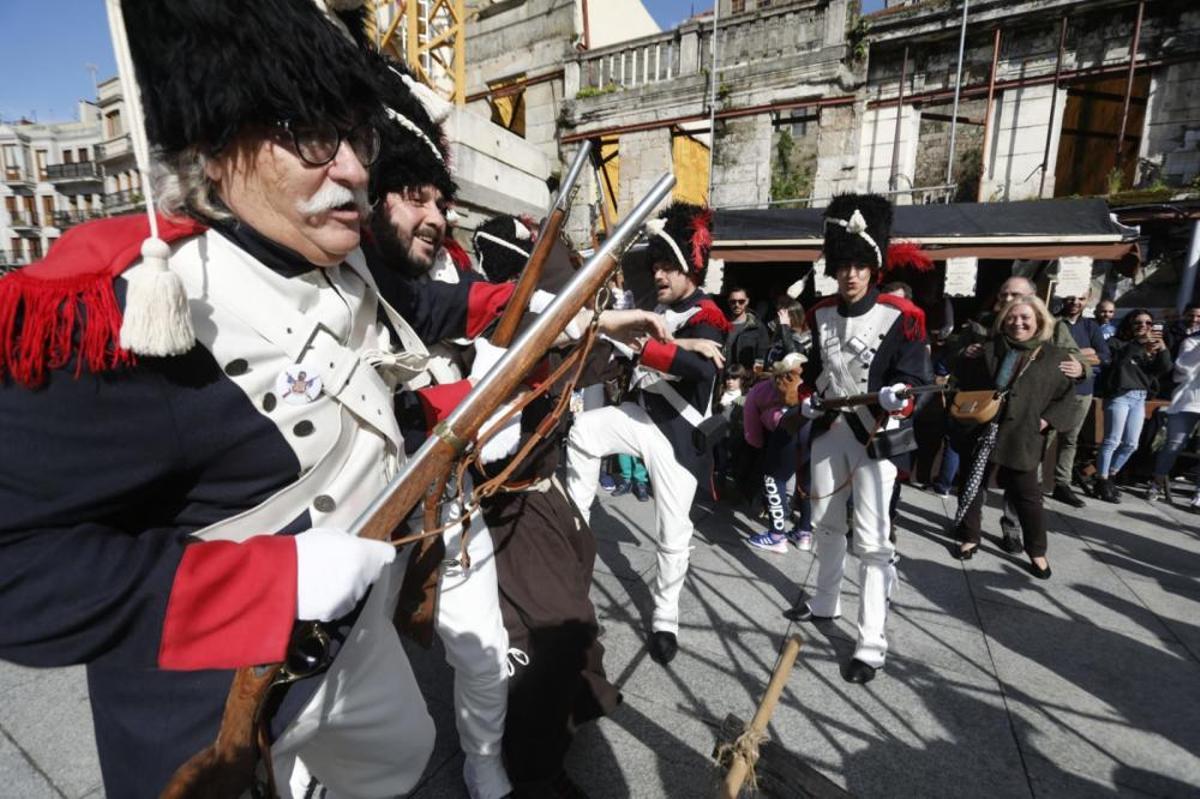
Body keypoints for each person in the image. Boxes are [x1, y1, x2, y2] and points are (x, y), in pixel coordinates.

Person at [0, 2, 443, 796]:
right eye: (312, 136)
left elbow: (425, 320)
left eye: (359, 137)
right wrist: (267, 584)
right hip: (205, 696)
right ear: (215, 149)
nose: (351, 168)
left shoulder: (342, 258)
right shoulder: (130, 315)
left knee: (402, 755)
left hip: (354, 645)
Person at [566, 202, 728, 667]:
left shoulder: (709, 314)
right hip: (640, 416)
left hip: (677, 435)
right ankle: (577, 522)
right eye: (655, 266)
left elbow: (699, 368)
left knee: (673, 536)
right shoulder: (654, 309)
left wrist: (653, 348)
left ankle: (665, 619)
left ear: (689, 269)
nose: (658, 274)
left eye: (668, 266)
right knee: (583, 430)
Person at [784, 193, 932, 685]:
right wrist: (805, 397)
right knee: (826, 524)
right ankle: (826, 601)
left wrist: (899, 397)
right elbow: (815, 372)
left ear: (874, 267)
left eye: (859, 265)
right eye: (842, 264)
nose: (850, 274)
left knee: (872, 542)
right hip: (831, 430)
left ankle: (871, 641)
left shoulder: (902, 315)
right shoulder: (821, 312)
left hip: (875, 436)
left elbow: (915, 380)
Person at [949, 296, 1077, 580]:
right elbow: (959, 380)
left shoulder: (1055, 357)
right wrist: (962, 356)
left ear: (1040, 321)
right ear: (1003, 321)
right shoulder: (987, 349)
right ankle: (969, 535)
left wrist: (1046, 420)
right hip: (983, 429)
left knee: (1028, 495)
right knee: (972, 483)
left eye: (1025, 318)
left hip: (1023, 435)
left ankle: (1037, 551)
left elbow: (1067, 397)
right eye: (1011, 317)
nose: (1018, 323)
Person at [1093, 310, 1172, 503]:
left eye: (1148, 323)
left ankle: (1110, 475)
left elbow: (1165, 368)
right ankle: (1101, 480)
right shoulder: (1116, 343)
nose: (1143, 327)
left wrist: (1162, 349)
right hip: (1120, 395)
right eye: (1138, 323)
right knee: (1112, 441)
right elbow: (1119, 363)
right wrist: (1139, 343)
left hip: (1139, 397)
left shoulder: (1150, 348)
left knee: (1131, 444)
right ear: (1129, 325)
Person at [743, 353, 812, 553]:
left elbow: (752, 432)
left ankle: (776, 536)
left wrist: (759, 444)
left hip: (785, 430)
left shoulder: (760, 389)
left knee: (774, 479)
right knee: (806, 483)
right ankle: (804, 533)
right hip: (811, 430)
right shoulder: (810, 384)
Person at [1048, 291, 1110, 508]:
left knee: (1070, 439)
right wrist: (1086, 353)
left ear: (1087, 300)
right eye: (1071, 297)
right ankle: (1034, 482)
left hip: (1082, 390)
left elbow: (1103, 356)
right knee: (1044, 438)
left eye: (1080, 298)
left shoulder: (1091, 327)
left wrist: (1074, 356)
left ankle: (1062, 484)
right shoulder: (1051, 322)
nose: (1075, 302)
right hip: (1053, 391)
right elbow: (1051, 354)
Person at [1148, 330, 1200, 506]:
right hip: (1187, 401)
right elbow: (1183, 370)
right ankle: (1157, 483)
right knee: (1173, 445)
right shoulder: (1191, 342)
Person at [725, 285, 771, 371]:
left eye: (741, 301)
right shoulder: (721, 325)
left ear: (747, 301)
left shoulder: (757, 327)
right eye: (733, 301)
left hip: (746, 378)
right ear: (728, 302)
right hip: (724, 377)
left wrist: (756, 377)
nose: (737, 305)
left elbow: (762, 356)